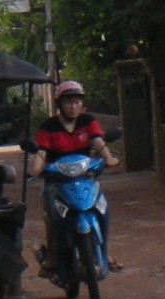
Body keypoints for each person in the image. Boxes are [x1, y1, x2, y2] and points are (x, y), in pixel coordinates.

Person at [25, 79, 122, 275]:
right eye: (68, 101)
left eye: (77, 101)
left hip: (85, 178)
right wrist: (35, 169)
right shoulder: (49, 126)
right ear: (60, 104)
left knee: (101, 209)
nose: (73, 105)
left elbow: (98, 141)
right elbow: (41, 153)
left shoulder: (88, 121)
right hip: (57, 182)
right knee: (53, 216)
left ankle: (103, 252)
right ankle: (52, 257)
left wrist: (109, 158)